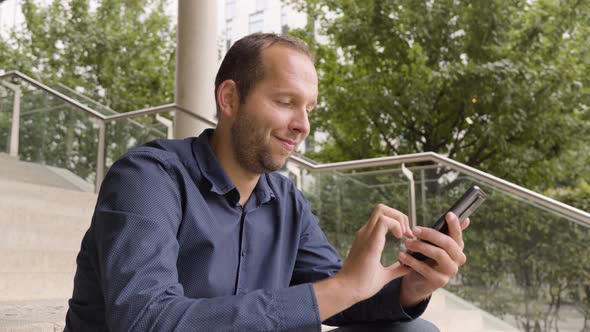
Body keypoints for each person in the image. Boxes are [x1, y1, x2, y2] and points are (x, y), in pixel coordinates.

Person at [65, 33, 469, 331]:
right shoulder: (148, 178)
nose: (303, 126)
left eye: (308, 108)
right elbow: (144, 320)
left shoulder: (286, 201)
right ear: (229, 98)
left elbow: (340, 296)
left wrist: (411, 285)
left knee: (414, 330)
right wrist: (342, 288)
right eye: (285, 102)